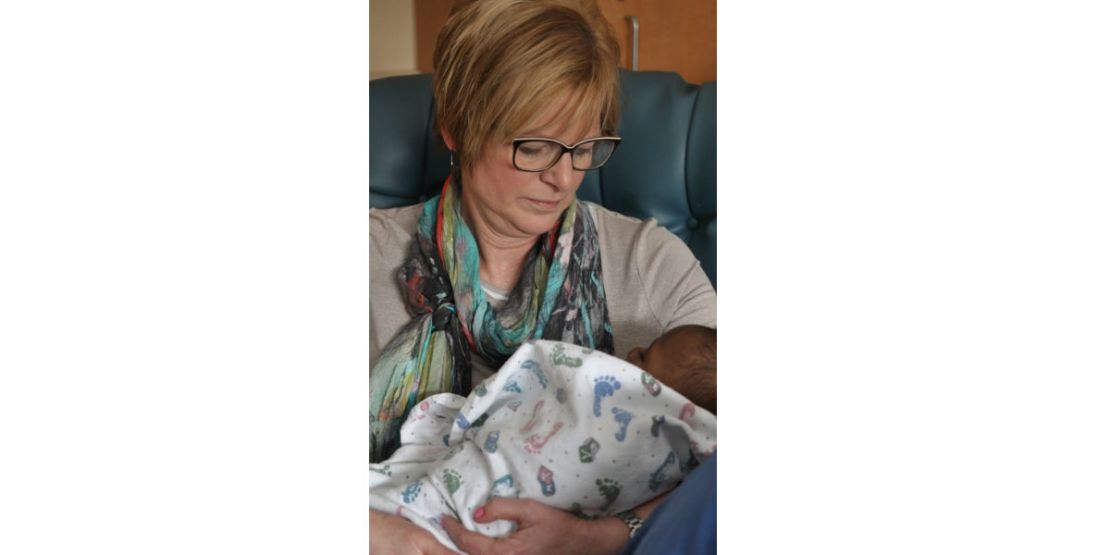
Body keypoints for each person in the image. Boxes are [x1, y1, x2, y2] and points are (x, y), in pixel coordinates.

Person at [369, 0, 716, 553]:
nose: (562, 177)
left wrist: (603, 536)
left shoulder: (652, 264)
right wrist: (395, 540)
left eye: (584, 149)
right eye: (534, 146)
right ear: (456, 128)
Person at [369, 327, 718, 552]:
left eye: (644, 356)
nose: (632, 353)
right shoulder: (378, 241)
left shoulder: (650, 257)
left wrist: (607, 534)